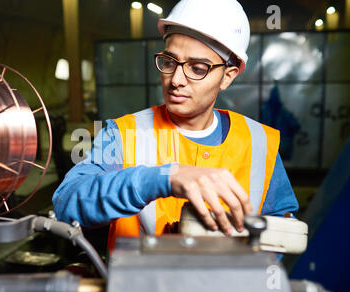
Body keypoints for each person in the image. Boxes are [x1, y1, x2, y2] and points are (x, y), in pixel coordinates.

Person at [52, 0, 299, 251]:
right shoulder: (125, 135)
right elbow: (67, 203)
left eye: (197, 68)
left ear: (228, 76)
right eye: (170, 62)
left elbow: (282, 230)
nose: (176, 80)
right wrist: (164, 178)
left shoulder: (257, 143)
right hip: (138, 289)